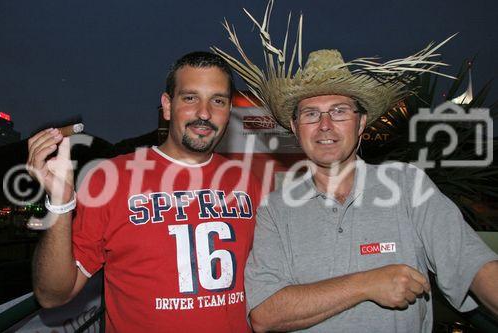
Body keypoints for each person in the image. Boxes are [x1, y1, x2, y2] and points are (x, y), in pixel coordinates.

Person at [213, 3, 498, 332]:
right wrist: (366, 284)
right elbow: (264, 314)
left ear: (361, 122)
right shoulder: (276, 210)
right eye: (310, 113)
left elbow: (473, 264)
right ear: (294, 126)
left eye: (338, 111)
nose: (324, 125)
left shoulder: (409, 187)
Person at [27, 51, 261, 332]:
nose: (204, 113)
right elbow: (52, 296)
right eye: (190, 98)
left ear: (229, 111)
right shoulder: (110, 179)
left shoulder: (248, 182)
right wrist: (60, 203)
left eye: (218, 101)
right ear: (166, 105)